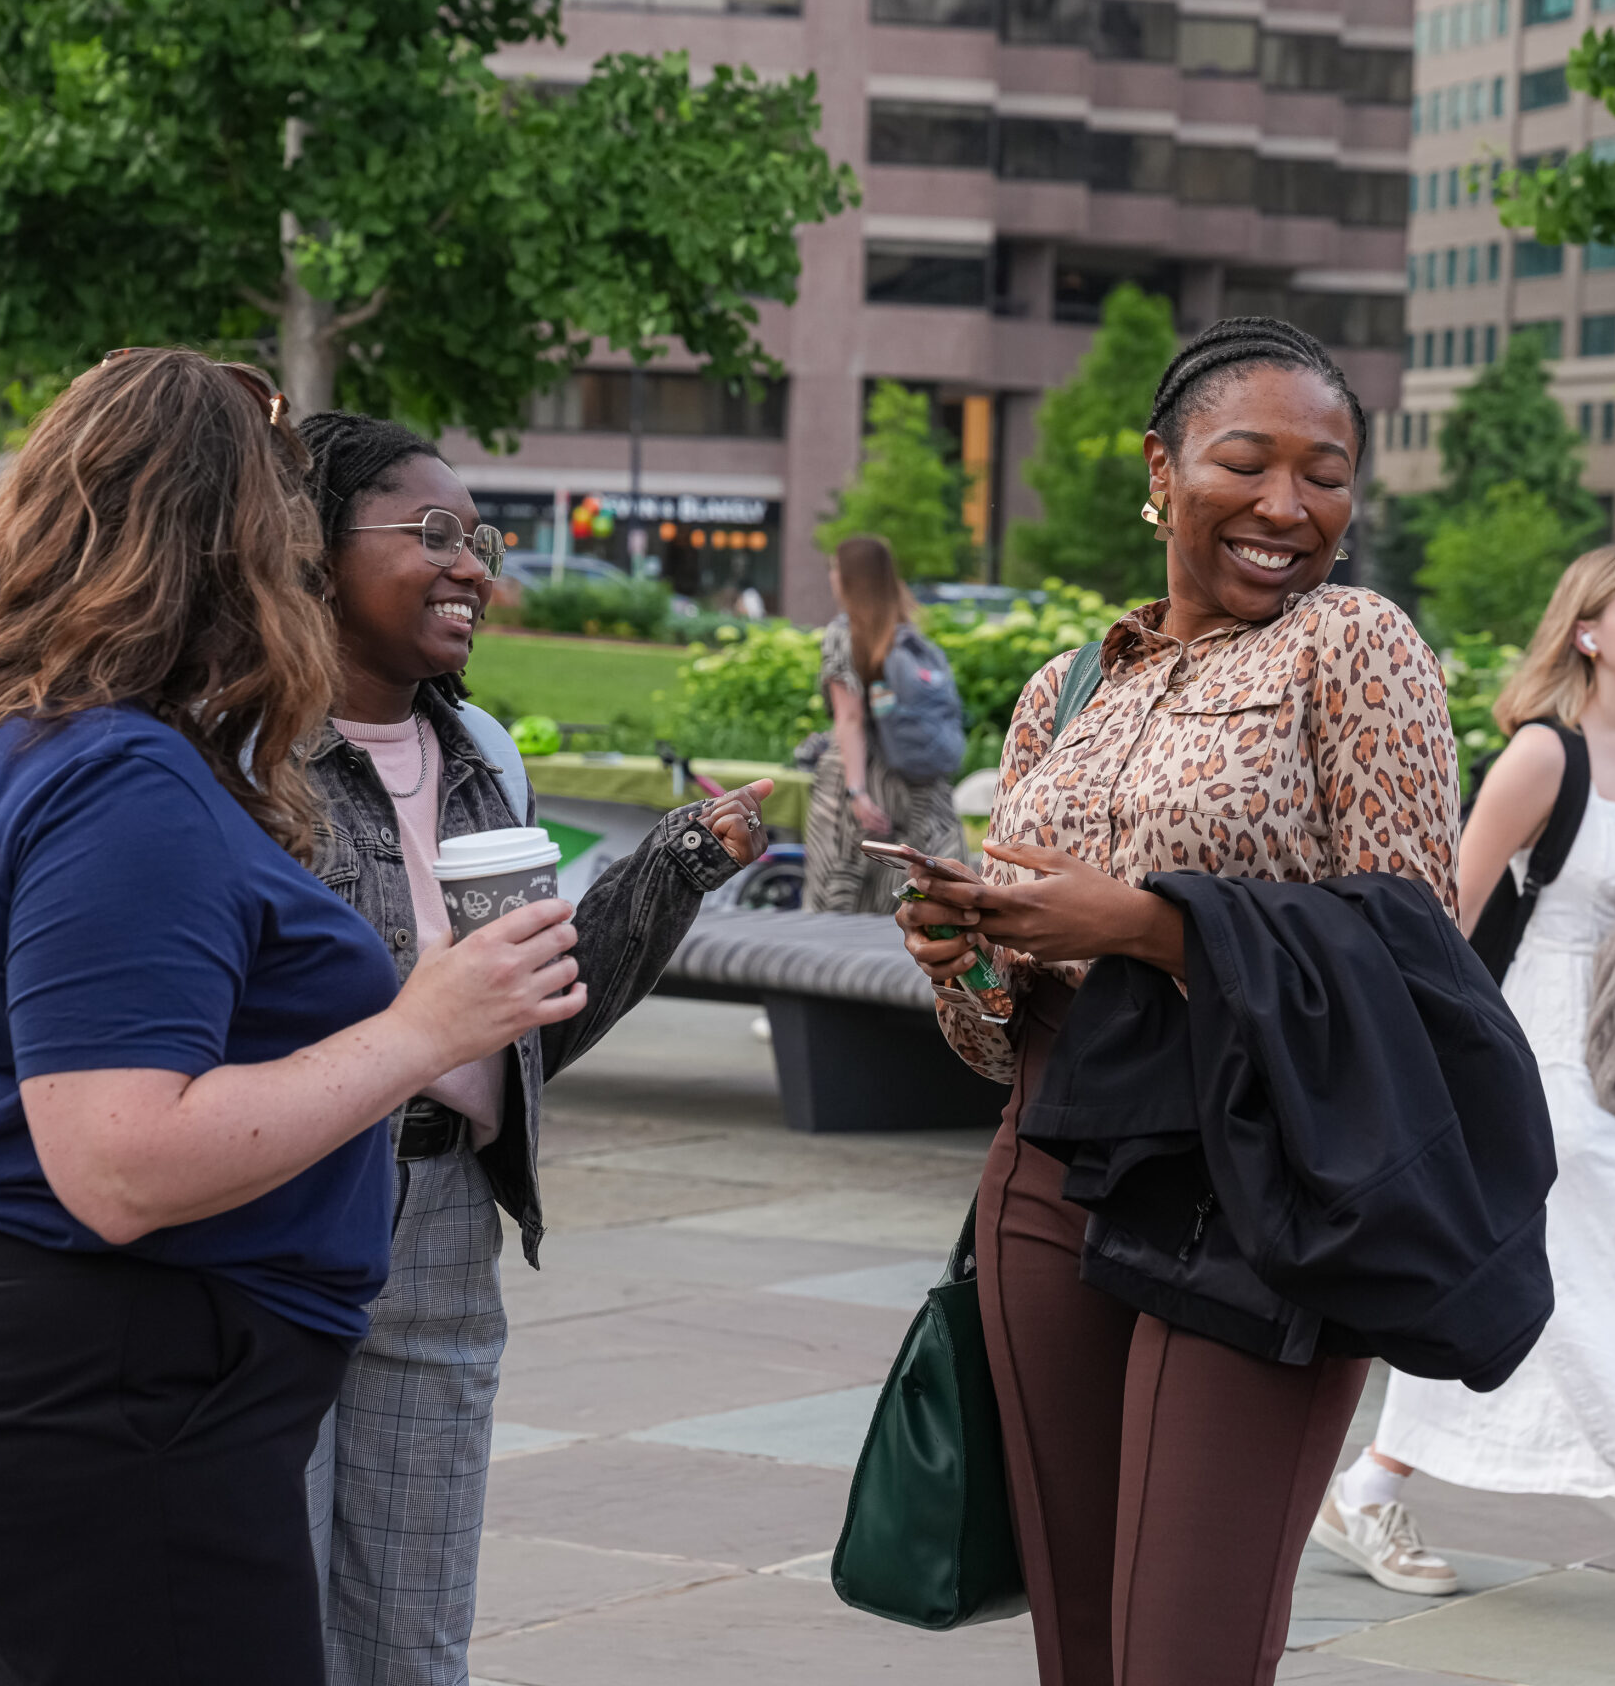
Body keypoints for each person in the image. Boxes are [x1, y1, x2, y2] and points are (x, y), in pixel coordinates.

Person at [0, 349, 588, 1686]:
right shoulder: (117, 777)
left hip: (4, 1339)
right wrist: (426, 1027)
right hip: (107, 1384)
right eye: (287, 533)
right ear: (228, 544)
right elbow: (121, 1162)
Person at [892, 318, 1462, 1686]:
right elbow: (988, 1041)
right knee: (1083, 1649)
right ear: (1161, 468)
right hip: (1048, 1156)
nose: (1288, 507)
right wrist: (967, 960)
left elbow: (1416, 966)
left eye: (1326, 473)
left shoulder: (1354, 648)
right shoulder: (1065, 689)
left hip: (1258, 1174)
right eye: (1247, 463)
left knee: (1184, 1652)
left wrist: (1145, 927)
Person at [294, 414, 770, 1686]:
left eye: (482, 541)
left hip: (448, 1217)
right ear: (312, 549)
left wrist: (673, 869)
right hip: (280, 1204)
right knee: (266, 1618)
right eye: (432, 535)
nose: (472, 569)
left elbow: (525, 1032)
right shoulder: (240, 760)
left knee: (413, 1633)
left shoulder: (484, 758)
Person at [1317, 546, 1615, 1670]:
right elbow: (1443, 919)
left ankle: (1366, 1488)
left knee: (1527, 1293)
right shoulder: (1539, 756)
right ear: (1587, 632)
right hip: (1538, 1065)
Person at [803, 533, 963, 914]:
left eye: (834, 570)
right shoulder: (907, 639)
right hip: (918, 792)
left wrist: (857, 792)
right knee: (906, 904)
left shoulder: (842, 635)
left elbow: (850, 716)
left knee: (837, 905)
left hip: (859, 791)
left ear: (848, 578)